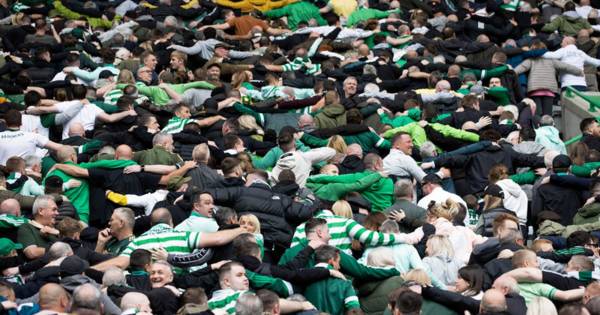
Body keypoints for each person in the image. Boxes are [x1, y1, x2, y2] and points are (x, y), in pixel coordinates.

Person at [304, 245, 361, 315]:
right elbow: (354, 311)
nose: (339, 267)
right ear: (332, 261)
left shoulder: (302, 280)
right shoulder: (345, 283)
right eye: (338, 262)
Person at [17, 195, 59, 259]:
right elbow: (32, 253)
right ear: (40, 211)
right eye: (54, 209)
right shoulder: (27, 227)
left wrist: (58, 232)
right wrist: (59, 250)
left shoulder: (57, 227)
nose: (57, 213)